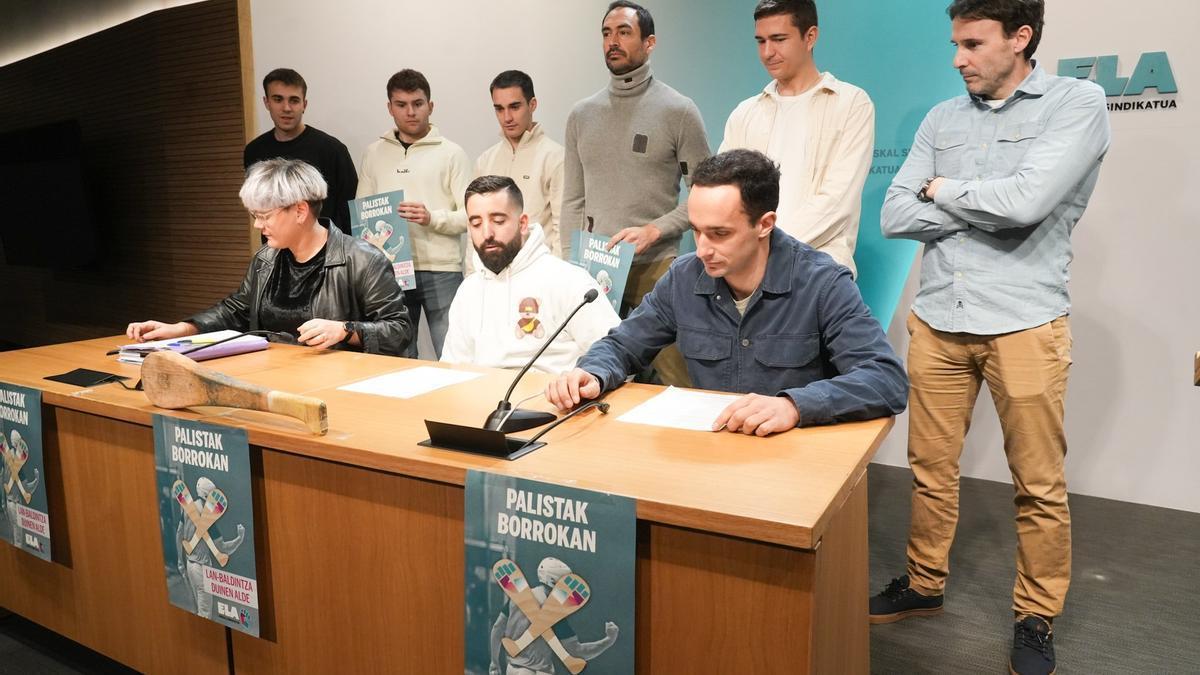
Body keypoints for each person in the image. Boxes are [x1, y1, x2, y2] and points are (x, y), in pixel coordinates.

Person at [873, 2, 1110, 673]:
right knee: (930, 469)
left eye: (973, 44)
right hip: (940, 319)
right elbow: (894, 210)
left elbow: (1029, 204)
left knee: (1038, 484)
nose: (958, 58)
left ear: (1021, 36)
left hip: (1025, 322)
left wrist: (943, 188)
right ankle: (923, 582)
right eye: (955, 43)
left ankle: (1035, 616)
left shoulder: (1077, 103)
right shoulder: (941, 118)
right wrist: (985, 203)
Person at [545, 149, 907, 434]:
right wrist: (592, 373)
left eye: (719, 234)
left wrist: (794, 405)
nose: (702, 248)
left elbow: (885, 380)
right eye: (697, 231)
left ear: (764, 224)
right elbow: (623, 345)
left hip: (792, 461)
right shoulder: (684, 278)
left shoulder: (822, 282)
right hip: (710, 451)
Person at [560, 1, 711, 386]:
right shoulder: (581, 114)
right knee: (598, 375)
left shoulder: (679, 111)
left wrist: (654, 231)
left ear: (650, 42)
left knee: (676, 378)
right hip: (596, 270)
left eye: (624, 32)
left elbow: (705, 196)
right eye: (607, 34)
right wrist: (568, 265)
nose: (613, 41)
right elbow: (573, 200)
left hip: (657, 267)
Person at [125, 159, 411, 356]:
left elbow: (399, 330)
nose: (257, 226)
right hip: (274, 375)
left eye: (264, 216)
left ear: (300, 211)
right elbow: (237, 309)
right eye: (254, 216)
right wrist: (180, 329)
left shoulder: (363, 259)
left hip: (341, 384)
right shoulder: (266, 259)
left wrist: (346, 330)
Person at [719, 0, 873, 276]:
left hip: (819, 272)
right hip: (748, 272)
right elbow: (724, 195)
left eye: (779, 39)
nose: (768, 52)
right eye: (761, 41)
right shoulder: (745, 113)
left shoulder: (851, 104)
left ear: (810, 36)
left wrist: (764, 248)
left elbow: (837, 202)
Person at [441, 176, 619, 374]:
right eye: (476, 224)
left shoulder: (568, 280)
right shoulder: (468, 290)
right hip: (482, 400)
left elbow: (616, 354)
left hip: (551, 401)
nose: (487, 233)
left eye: (498, 221)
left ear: (523, 223)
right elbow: (452, 367)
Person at [358, 69, 472, 359]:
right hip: (390, 270)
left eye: (418, 104)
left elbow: (470, 218)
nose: (410, 112)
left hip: (442, 270)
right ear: (389, 108)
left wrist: (431, 217)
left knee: (453, 354)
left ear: (430, 106)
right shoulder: (373, 154)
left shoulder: (452, 154)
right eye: (401, 104)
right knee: (398, 355)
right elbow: (362, 217)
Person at [244, 68, 358, 234]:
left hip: (326, 253)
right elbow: (256, 205)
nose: (287, 108)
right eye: (278, 99)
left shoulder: (332, 149)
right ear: (266, 103)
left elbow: (351, 210)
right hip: (276, 250)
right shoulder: (254, 151)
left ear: (304, 105)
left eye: (294, 100)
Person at [476, 71, 565, 258]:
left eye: (514, 107)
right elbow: (475, 227)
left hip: (539, 272)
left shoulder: (556, 157)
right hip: (494, 273)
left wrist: (556, 279)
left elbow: (562, 229)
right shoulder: (486, 160)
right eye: (499, 109)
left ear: (532, 105)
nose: (507, 117)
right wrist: (472, 276)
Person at [489, 556, 619, 675]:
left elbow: (497, 628)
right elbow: (578, 652)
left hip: (512, 669)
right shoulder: (555, 615)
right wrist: (608, 640)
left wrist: (494, 662)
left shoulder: (515, 601)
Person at [176, 476, 245, 619]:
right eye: (213, 496)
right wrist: (240, 539)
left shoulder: (187, 509)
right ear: (207, 496)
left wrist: (180, 561)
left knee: (197, 611)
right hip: (201, 570)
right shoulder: (209, 519)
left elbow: (179, 534)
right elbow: (223, 549)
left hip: (190, 565)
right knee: (205, 615)